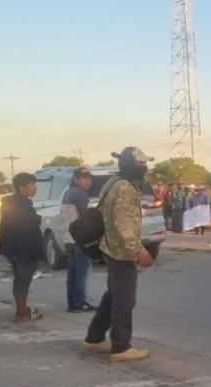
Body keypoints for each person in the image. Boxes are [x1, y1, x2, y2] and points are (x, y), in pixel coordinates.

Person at [83, 147, 155, 362]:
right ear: (133, 165)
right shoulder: (124, 188)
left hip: (111, 247)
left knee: (113, 296)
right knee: (124, 300)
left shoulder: (114, 182)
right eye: (142, 164)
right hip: (121, 251)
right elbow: (124, 226)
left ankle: (94, 338)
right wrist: (140, 251)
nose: (145, 167)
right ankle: (121, 347)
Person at [0, 172, 45, 321]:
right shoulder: (21, 204)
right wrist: (25, 252)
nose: (34, 188)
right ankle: (21, 312)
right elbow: (23, 228)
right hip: (24, 248)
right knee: (23, 279)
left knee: (21, 279)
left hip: (14, 248)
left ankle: (22, 308)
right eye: (32, 185)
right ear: (21, 187)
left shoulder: (12, 202)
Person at [62, 167, 96, 313]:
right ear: (75, 179)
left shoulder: (67, 192)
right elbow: (86, 218)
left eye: (89, 178)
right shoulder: (80, 194)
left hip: (69, 237)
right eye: (84, 178)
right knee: (81, 273)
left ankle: (72, 302)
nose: (87, 181)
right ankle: (79, 303)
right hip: (80, 239)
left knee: (73, 273)